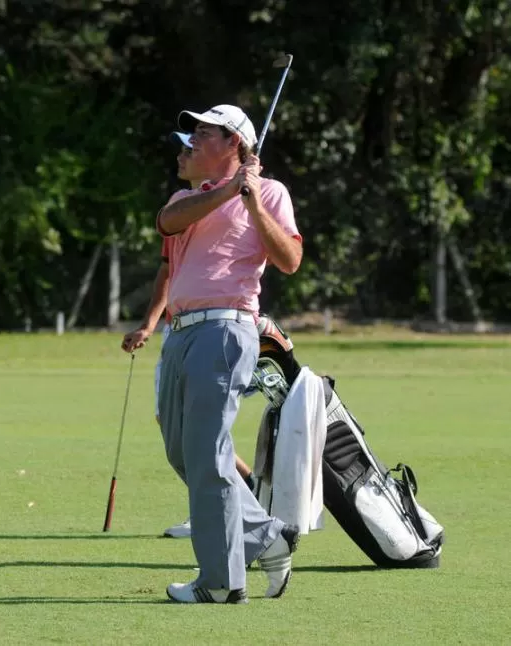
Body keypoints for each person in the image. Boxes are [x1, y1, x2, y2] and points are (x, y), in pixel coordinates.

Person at [155, 104, 303, 604]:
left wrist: (253, 201)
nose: (191, 140)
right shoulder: (189, 196)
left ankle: (220, 582)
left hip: (225, 328)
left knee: (206, 451)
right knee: (185, 451)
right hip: (180, 334)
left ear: (233, 143)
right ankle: (266, 534)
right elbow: (168, 222)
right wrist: (227, 189)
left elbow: (289, 260)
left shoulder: (271, 193)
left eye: (202, 132)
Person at [121, 133, 256, 540]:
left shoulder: (254, 196)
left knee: (206, 430)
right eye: (182, 149)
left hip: (220, 327)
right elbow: (168, 268)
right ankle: (227, 509)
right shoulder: (181, 204)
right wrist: (149, 323)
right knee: (177, 425)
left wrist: (240, 189)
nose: (182, 156)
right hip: (179, 328)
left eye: (189, 148)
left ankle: (244, 510)